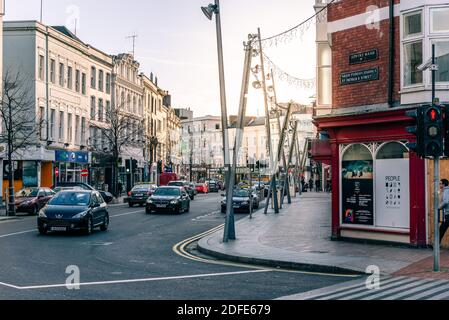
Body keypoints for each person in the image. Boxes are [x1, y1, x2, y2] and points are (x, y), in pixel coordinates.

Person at [438, 179, 449, 243]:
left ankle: (436, 245)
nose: (439, 185)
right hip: (447, 214)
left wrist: (439, 207)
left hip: (448, 215)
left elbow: (445, 201)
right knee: (441, 229)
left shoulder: (446, 191)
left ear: (443, 184)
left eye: (440, 183)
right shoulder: (445, 190)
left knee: (441, 230)